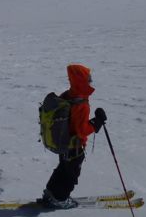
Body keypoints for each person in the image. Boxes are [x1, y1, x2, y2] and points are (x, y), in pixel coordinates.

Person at [41, 63, 106, 209]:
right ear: (81, 80)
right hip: (74, 146)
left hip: (64, 143)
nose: (90, 80)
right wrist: (96, 123)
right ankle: (60, 199)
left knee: (63, 169)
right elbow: (81, 130)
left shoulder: (68, 95)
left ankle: (51, 193)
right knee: (71, 175)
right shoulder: (81, 103)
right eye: (88, 78)